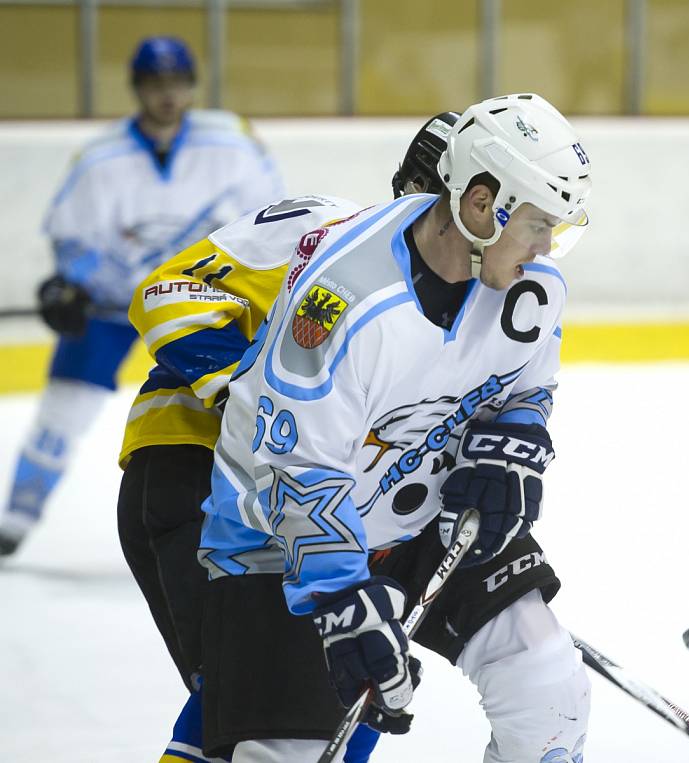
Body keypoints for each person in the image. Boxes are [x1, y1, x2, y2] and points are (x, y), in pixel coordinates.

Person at [197, 93, 593, 763]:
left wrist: (514, 441)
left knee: (548, 682)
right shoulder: (343, 298)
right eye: (536, 224)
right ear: (479, 206)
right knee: (286, 751)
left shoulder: (530, 282)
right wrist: (340, 592)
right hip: (282, 537)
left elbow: (525, 386)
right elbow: (295, 471)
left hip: (422, 510)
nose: (546, 247)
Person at [117, 113, 461, 763]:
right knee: (313, 697)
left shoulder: (439, 317)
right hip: (205, 478)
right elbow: (169, 294)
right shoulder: (331, 231)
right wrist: (259, 396)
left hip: (259, 505)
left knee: (283, 700)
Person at [0, 36, 284, 556]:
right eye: (156, 84)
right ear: (137, 89)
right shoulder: (102, 158)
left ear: (191, 86)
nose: (168, 95)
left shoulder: (233, 146)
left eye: (176, 83)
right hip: (112, 306)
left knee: (235, 407)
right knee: (61, 411)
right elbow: (75, 241)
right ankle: (14, 519)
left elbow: (267, 223)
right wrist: (70, 282)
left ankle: (247, 521)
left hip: (202, 305)